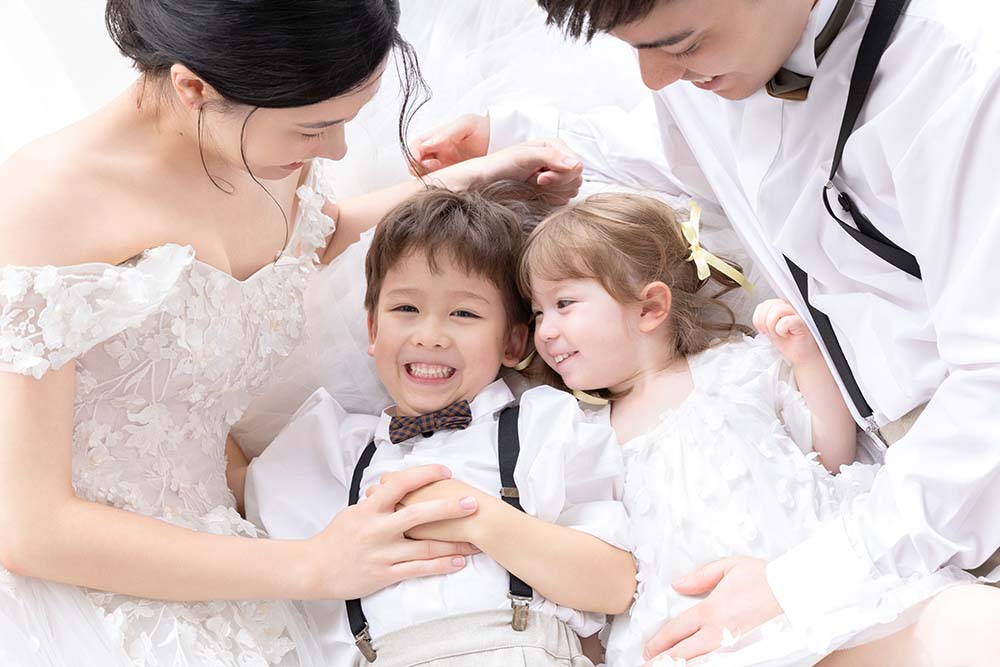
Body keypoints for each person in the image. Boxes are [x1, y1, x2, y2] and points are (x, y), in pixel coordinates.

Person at [412, 0, 1000, 663]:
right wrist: (515, 142)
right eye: (634, 48)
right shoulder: (712, 76)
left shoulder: (961, 75)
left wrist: (801, 579)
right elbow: (670, 160)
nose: (655, 78)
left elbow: (991, 388)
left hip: (946, 489)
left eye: (682, 43)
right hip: (856, 512)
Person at [0, 1, 585, 665]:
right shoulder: (47, 206)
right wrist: (312, 565)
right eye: (316, 127)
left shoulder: (257, 139)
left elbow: (305, 238)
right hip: (90, 581)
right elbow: (31, 528)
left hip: (238, 545)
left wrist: (473, 180)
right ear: (194, 88)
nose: (336, 150)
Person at [520, 192, 981, 666]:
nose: (545, 331)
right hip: (697, 632)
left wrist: (807, 360)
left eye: (563, 304)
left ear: (649, 308)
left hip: (807, 587)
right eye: (537, 313)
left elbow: (832, 456)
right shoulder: (584, 435)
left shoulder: (736, 368)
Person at [236, 184, 635, 666]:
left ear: (513, 342)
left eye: (464, 313)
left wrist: (479, 518)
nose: (429, 336)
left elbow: (614, 586)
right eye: (406, 309)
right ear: (373, 329)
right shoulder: (333, 449)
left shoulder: (545, 425)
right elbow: (207, 469)